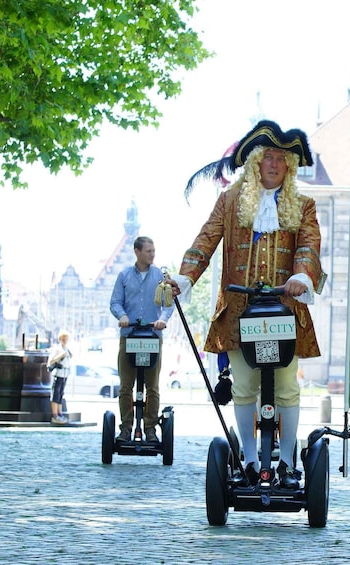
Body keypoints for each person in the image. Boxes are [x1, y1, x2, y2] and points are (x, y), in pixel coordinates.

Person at [173, 120, 325, 489]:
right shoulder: (229, 202)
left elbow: (308, 245)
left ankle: (288, 462)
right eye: (267, 156)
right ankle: (250, 460)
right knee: (243, 386)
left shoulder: (303, 206)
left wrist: (302, 277)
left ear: (289, 167)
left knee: (287, 386)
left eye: (280, 159)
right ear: (256, 162)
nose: (273, 163)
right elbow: (205, 241)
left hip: (284, 311)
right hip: (239, 313)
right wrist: (184, 278)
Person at [109, 236, 174, 443]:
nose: (152, 254)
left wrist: (162, 319)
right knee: (125, 386)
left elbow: (169, 304)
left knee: (152, 386)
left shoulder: (160, 276)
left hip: (152, 337)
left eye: (154, 251)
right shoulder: (124, 275)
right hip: (130, 336)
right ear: (137, 252)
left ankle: (150, 429)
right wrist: (123, 316)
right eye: (148, 251)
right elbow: (115, 302)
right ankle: (126, 428)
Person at [47, 329, 73, 424]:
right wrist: (60, 356)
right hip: (58, 374)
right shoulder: (57, 349)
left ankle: (60, 414)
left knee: (60, 394)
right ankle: (55, 415)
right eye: (63, 339)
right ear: (60, 339)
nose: (65, 340)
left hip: (64, 374)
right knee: (56, 394)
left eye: (66, 339)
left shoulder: (66, 349)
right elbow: (51, 361)